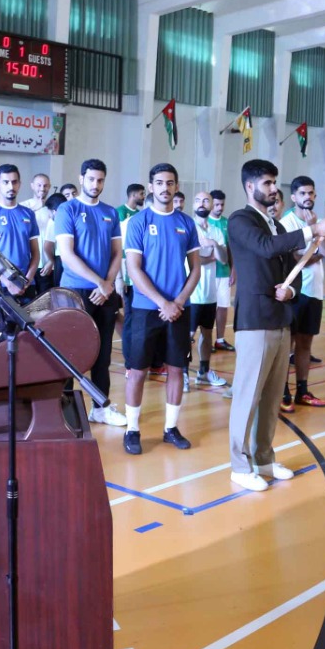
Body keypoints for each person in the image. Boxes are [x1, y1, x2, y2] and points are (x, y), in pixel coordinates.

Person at [227, 159, 325, 491]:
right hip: (255, 321)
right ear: (250, 186)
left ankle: (264, 458)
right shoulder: (241, 220)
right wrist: (312, 230)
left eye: (275, 182)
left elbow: (295, 267)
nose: (274, 189)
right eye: (268, 183)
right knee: (248, 396)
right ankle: (239, 466)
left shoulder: (276, 225)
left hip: (281, 319)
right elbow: (264, 248)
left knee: (272, 398)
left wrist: (292, 291)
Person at [121, 163, 200, 455]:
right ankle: (132, 430)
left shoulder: (186, 223)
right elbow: (134, 269)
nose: (165, 188)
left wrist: (177, 302)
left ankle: (171, 428)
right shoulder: (138, 222)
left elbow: (195, 270)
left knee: (176, 369)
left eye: (170, 183)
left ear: (176, 186)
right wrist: (162, 302)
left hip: (179, 309)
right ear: (150, 187)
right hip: (145, 309)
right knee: (137, 371)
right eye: (159, 183)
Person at [55, 159, 127, 428]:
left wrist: (107, 285)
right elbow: (67, 254)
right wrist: (100, 282)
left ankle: (100, 408)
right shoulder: (68, 209)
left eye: (100, 180)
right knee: (69, 352)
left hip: (104, 293)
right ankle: (63, 411)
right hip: (75, 291)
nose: (96, 184)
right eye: (91, 179)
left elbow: (117, 253)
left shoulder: (110, 212)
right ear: (81, 178)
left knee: (103, 353)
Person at [279, 176, 325, 408]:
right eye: (303, 193)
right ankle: (282, 391)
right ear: (293, 197)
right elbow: (293, 258)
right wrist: (313, 241)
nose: (308, 197)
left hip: (315, 291)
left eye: (311, 193)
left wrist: (317, 232)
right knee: (288, 344)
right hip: (295, 291)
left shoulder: (322, 223)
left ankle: (302, 390)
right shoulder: (287, 223)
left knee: (305, 344)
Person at [0, 164, 39, 321]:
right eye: (6, 182)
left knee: (27, 332)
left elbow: (35, 253)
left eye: (14, 182)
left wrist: (27, 280)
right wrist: (7, 282)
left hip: (26, 286)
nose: (11, 186)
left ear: (19, 184)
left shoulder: (28, 213)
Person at [188, 189, 228, 389]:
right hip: (192, 293)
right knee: (187, 335)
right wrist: (211, 256)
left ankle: (203, 372)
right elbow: (192, 260)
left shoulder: (216, 231)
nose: (202, 203)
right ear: (193, 205)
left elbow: (224, 259)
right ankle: (183, 372)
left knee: (207, 333)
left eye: (206, 200)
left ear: (211, 205)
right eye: (198, 200)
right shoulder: (189, 228)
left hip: (210, 293)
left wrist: (213, 245)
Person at [208, 189, 236, 352]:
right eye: (216, 204)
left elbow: (232, 249)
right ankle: (206, 340)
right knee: (208, 308)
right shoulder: (204, 222)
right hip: (209, 273)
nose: (219, 208)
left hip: (224, 272)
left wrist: (234, 270)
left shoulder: (227, 223)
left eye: (222, 204)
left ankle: (220, 339)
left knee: (223, 306)